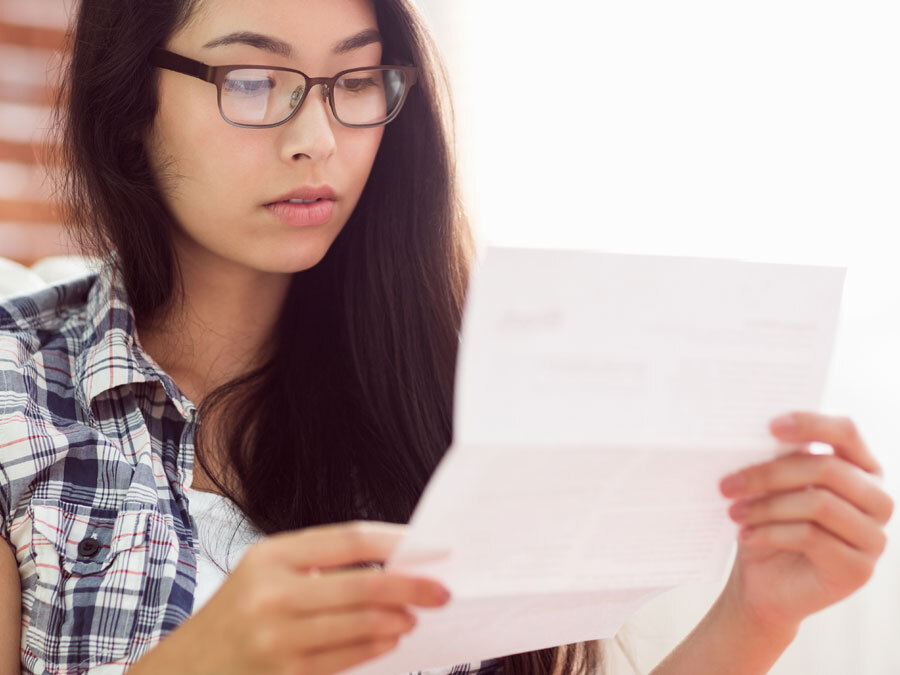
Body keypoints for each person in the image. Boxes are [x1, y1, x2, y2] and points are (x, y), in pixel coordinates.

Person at [0, 0, 892, 673]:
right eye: (254, 83)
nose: (318, 139)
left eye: (355, 82)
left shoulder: (455, 382)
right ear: (128, 103)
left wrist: (757, 614)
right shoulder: (18, 388)